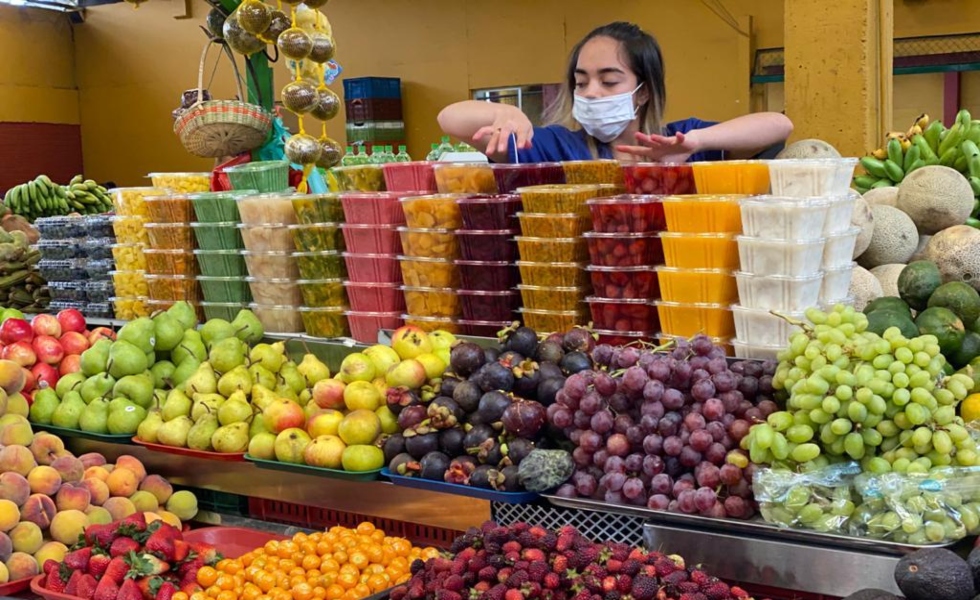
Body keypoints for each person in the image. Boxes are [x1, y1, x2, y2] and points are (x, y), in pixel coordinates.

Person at [438, 21, 793, 164]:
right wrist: (506, 115)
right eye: (581, 82)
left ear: (642, 92)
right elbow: (450, 118)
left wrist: (697, 142)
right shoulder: (553, 147)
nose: (591, 93)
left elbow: (778, 125)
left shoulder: (676, 144)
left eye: (609, 81)